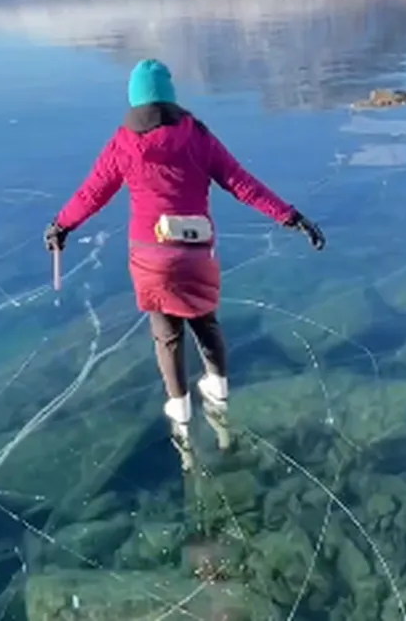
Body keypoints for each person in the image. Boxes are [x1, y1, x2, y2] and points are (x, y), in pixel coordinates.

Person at [44, 59, 325, 468]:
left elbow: (92, 194)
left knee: (166, 334)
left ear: (134, 99)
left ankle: (180, 409)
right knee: (206, 322)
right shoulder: (198, 136)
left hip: (149, 255)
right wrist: (291, 217)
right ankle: (219, 388)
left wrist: (61, 225)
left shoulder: (122, 143)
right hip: (195, 250)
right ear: (171, 96)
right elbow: (242, 183)